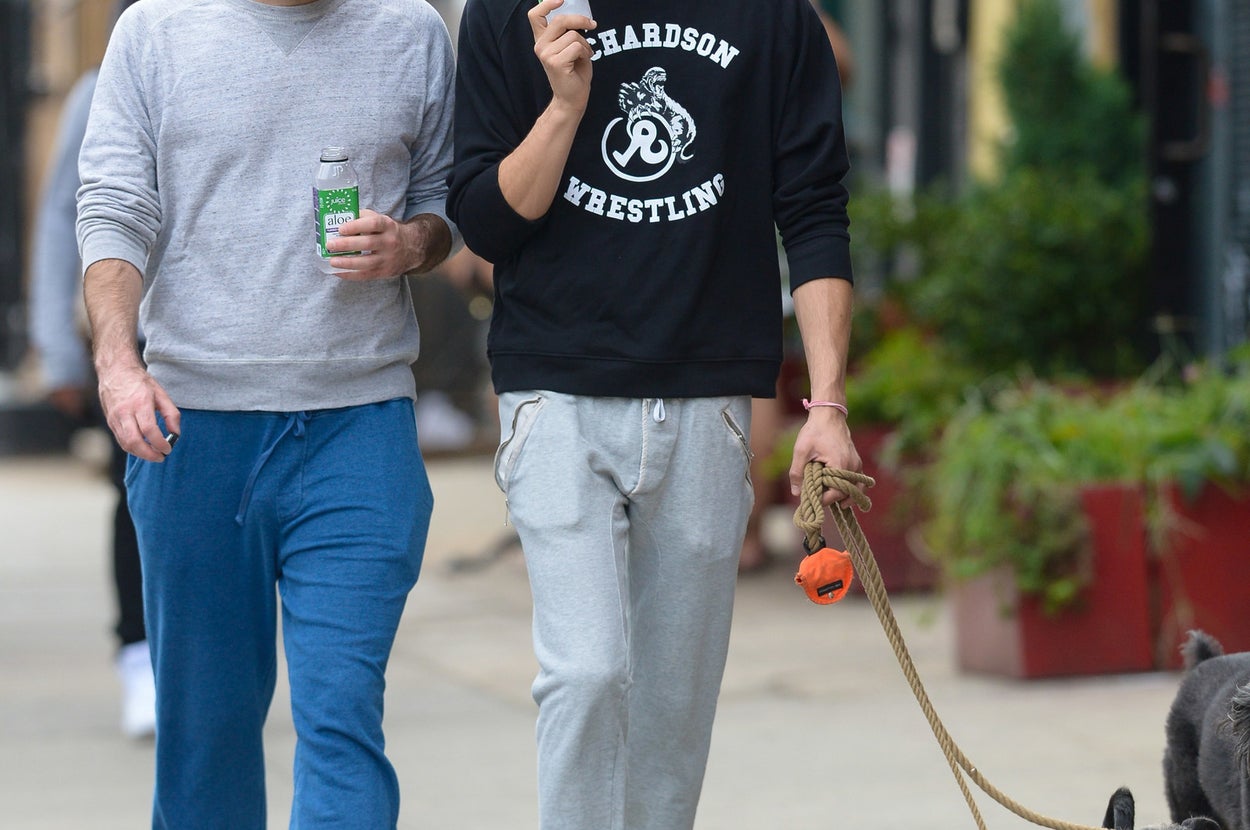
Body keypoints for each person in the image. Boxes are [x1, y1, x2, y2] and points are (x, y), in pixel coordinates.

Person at [447, 1, 862, 828]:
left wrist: (827, 403)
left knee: (673, 711)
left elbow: (815, 209)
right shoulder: (510, 10)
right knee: (586, 673)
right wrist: (563, 107)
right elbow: (484, 222)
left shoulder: (774, 15)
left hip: (708, 398)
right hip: (556, 391)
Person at [76, 0, 456, 826]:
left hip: (359, 421)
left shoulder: (412, 30)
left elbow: (442, 202)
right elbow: (114, 208)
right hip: (195, 425)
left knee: (343, 717)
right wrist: (117, 364)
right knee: (205, 734)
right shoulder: (155, 30)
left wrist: (412, 243)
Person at [27, 0, 154, 739]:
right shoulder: (100, 85)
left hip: (227, 335)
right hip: (129, 334)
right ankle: (138, 652)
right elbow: (60, 215)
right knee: (134, 496)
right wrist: (55, 342)